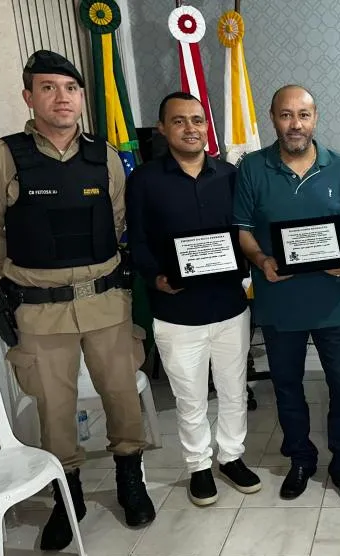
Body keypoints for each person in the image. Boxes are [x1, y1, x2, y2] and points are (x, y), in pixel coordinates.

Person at [0, 50, 155, 551]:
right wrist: (21, 275)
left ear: (80, 97)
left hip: (104, 303)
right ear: (29, 96)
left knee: (121, 395)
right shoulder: (1, 156)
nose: (62, 97)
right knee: (55, 408)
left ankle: (130, 482)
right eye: (48, 88)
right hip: (39, 309)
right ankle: (66, 498)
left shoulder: (105, 155)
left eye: (70, 88)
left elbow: (117, 221)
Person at [233, 85, 340, 508]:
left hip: (335, 302)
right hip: (280, 303)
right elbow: (242, 229)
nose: (295, 124)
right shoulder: (252, 168)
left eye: (303, 115)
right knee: (288, 387)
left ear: (315, 118)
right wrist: (261, 260)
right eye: (286, 115)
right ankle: (301, 459)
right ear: (272, 118)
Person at [126, 92, 261, 506]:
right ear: (163, 128)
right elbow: (137, 238)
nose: (191, 128)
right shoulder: (145, 180)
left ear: (208, 127)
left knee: (234, 389)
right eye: (180, 121)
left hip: (229, 307)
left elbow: (244, 230)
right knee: (190, 397)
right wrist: (156, 277)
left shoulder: (231, 176)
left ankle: (231, 457)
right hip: (176, 310)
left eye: (198, 120)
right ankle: (199, 465)